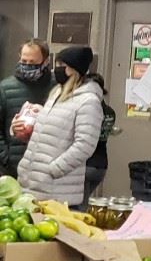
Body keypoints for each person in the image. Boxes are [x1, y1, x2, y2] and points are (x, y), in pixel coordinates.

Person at [17, 45, 104, 207]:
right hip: (33, 185)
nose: (56, 70)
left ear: (74, 69)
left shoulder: (88, 101)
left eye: (62, 66)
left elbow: (85, 145)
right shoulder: (57, 93)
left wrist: (54, 169)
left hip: (57, 189)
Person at [0, 39, 53, 177]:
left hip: (47, 166)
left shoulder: (57, 88)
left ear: (46, 61)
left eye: (33, 63)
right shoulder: (5, 88)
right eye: (24, 61)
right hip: (13, 167)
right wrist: (5, 157)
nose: (27, 66)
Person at [83, 74, 116, 201]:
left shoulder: (88, 108)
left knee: (79, 206)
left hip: (86, 164)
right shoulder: (110, 112)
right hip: (101, 165)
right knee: (85, 200)